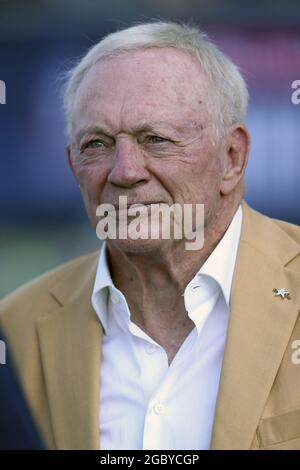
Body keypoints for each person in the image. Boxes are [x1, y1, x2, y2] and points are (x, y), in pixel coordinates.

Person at [1, 21, 300, 451]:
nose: (124, 171)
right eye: (97, 145)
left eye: (155, 139)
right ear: (72, 166)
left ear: (232, 157)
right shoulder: (15, 328)